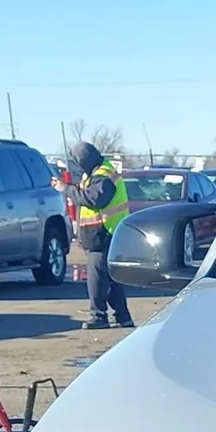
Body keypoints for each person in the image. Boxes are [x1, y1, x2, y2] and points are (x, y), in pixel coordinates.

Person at [68, 141, 134, 329]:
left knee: (96, 277)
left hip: (104, 232)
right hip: (102, 232)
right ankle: (123, 316)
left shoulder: (103, 176)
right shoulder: (96, 173)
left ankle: (98, 316)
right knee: (110, 277)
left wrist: (67, 190)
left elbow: (94, 199)